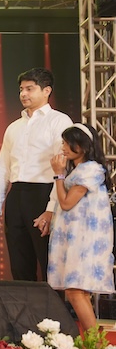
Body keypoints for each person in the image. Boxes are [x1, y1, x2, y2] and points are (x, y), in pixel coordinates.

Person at [0, 67, 72, 282]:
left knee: (49, 261)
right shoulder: (14, 127)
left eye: (29, 89)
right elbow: (3, 168)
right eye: (21, 89)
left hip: (44, 192)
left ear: (46, 91)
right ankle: (23, 304)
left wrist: (51, 209)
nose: (23, 94)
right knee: (19, 262)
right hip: (16, 194)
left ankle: (54, 305)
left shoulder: (59, 121)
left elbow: (63, 167)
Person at [48, 123, 114, 330]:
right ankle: (94, 343)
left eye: (68, 143)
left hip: (85, 240)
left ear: (83, 146)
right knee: (77, 292)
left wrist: (58, 174)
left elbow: (67, 203)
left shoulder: (90, 170)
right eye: (63, 143)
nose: (63, 148)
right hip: (76, 238)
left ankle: (96, 343)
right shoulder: (80, 170)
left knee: (76, 291)